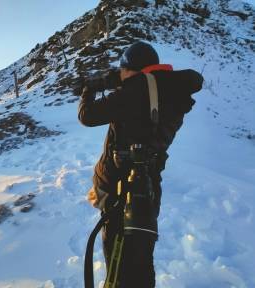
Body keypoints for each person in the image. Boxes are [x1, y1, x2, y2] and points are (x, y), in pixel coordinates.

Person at [78, 41, 203, 287]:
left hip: (120, 189)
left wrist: (88, 89)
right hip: (148, 185)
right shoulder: (173, 91)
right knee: (140, 256)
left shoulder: (135, 91)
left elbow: (87, 116)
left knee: (118, 257)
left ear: (131, 69)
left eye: (122, 70)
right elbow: (145, 97)